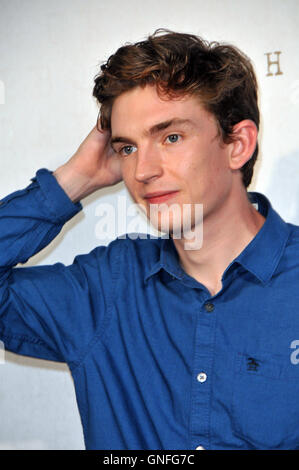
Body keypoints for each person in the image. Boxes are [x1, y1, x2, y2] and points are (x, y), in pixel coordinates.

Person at [0, 28, 299, 451]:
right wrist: (76, 178)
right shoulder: (106, 288)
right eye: (126, 148)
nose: (142, 171)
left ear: (237, 144)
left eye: (170, 137)